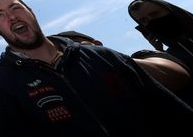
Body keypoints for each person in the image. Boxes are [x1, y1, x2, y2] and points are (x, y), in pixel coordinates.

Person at [0, 0, 193, 137]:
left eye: (16, 8)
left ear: (31, 12)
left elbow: (170, 109)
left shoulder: (102, 56)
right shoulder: (1, 82)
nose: (12, 17)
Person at [53, 30, 192, 100]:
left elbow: (177, 76)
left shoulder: (143, 55)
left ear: (97, 44)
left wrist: (94, 56)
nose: (69, 51)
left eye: (73, 44)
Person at [128, 0, 193, 72]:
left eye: (154, 14)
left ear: (169, 9)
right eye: (144, 20)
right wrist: (160, 52)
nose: (152, 21)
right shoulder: (173, 56)